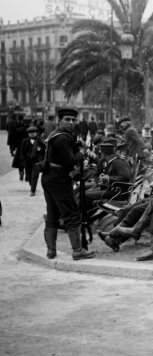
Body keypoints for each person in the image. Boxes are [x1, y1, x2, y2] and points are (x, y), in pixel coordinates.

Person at [41, 108, 95, 260]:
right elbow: (70, 161)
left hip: (48, 177)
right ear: (60, 120)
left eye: (73, 120)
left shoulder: (55, 135)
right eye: (67, 120)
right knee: (71, 214)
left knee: (52, 214)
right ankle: (78, 251)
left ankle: (51, 251)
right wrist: (82, 152)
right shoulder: (63, 138)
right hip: (59, 179)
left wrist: (75, 146)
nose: (71, 123)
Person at [83, 139, 132, 212]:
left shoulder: (119, 162)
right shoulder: (112, 162)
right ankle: (85, 215)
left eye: (103, 155)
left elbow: (126, 177)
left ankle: (84, 216)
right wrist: (103, 180)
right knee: (85, 193)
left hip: (118, 193)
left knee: (85, 195)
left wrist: (109, 178)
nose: (102, 157)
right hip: (111, 189)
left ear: (105, 154)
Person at [20, 125, 46, 196]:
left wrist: (40, 149)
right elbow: (22, 151)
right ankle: (32, 185)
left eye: (33, 132)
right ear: (28, 133)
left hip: (36, 161)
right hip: (27, 161)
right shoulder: (24, 141)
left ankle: (33, 190)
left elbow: (45, 149)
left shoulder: (39, 140)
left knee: (34, 175)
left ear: (36, 133)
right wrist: (23, 160)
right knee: (29, 175)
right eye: (30, 132)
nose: (32, 134)